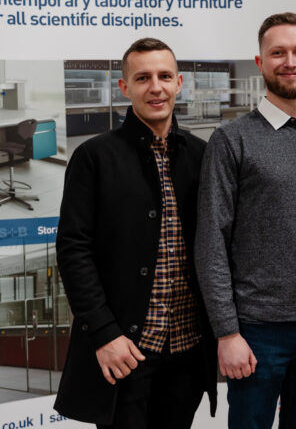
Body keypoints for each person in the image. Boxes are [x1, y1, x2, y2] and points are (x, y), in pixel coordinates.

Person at [195, 12, 296, 429]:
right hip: (257, 332)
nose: (290, 61)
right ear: (260, 63)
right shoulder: (232, 140)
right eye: (277, 52)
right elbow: (211, 242)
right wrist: (227, 332)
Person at [54, 38, 217, 428]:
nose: (155, 87)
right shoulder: (94, 157)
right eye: (142, 78)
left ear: (180, 83)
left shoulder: (201, 155)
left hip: (187, 352)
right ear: (124, 88)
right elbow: (74, 250)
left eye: (164, 76)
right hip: (126, 351)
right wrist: (105, 335)